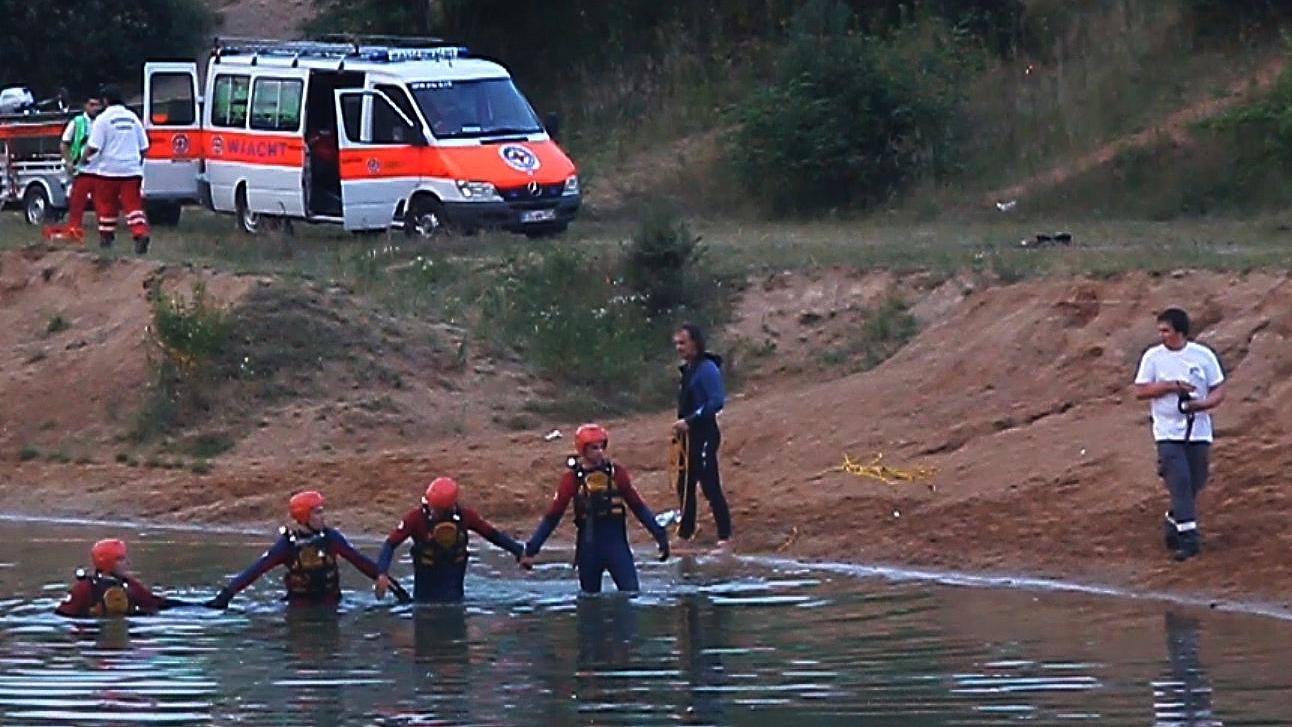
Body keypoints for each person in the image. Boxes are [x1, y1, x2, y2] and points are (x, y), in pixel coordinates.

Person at [523, 423, 670, 594]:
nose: (599, 452)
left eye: (601, 447)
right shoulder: (571, 480)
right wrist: (531, 550)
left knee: (631, 593)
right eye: (594, 448)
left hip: (617, 546)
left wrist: (660, 535)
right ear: (583, 450)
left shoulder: (617, 474)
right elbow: (552, 517)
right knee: (589, 603)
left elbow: (638, 506)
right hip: (589, 548)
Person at [1133, 308, 1226, 561]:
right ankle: (1189, 537)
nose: (1162, 335)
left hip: (1198, 428)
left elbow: (1218, 388)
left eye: (1166, 330)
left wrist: (1204, 404)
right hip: (1167, 430)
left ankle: (1175, 519)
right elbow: (1140, 391)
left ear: (1180, 332)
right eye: (1160, 331)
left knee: (1197, 479)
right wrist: (1169, 386)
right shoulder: (1153, 357)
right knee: (1180, 480)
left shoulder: (1202, 355)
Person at [206, 491, 384, 609]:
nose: (323, 517)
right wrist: (226, 595)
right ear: (304, 516)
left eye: (322, 511)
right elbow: (256, 570)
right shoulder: (287, 545)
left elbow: (360, 561)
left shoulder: (331, 538)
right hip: (299, 608)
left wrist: (389, 583)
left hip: (332, 605)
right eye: (317, 512)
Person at [374, 477, 528, 604]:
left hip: (454, 584)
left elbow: (492, 535)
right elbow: (390, 544)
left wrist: (519, 551)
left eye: (437, 510)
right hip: (425, 586)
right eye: (431, 507)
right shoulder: (415, 519)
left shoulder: (466, 517)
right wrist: (382, 573)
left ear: (450, 509)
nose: (432, 513)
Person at [671, 323, 733, 547]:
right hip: (687, 438)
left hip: (705, 433)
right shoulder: (688, 370)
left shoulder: (707, 368)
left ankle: (725, 537)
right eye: (676, 343)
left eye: (683, 343)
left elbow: (716, 401)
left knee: (709, 484)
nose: (679, 348)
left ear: (695, 343)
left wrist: (690, 420)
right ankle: (685, 533)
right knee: (684, 484)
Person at [81, 84, 150, 253]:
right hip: (132, 170)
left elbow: (94, 146)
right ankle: (140, 233)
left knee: (106, 205)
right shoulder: (133, 118)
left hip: (108, 172)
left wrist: (82, 159)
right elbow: (144, 146)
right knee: (133, 205)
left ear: (105, 101)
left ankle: (107, 237)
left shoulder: (103, 119)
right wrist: (136, 162)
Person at [55, 538, 195, 617]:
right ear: (107, 561)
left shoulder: (129, 584)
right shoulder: (84, 588)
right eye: (120, 559)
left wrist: (201, 606)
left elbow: (155, 602)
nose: (127, 563)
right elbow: (63, 615)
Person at [59, 93, 103, 240]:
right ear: (85, 106)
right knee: (77, 202)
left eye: (98, 105)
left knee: (102, 203)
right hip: (81, 169)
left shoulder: (102, 122)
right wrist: (69, 162)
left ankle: (104, 230)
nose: (95, 108)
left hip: (99, 169)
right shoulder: (77, 122)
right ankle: (74, 228)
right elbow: (64, 143)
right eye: (92, 105)